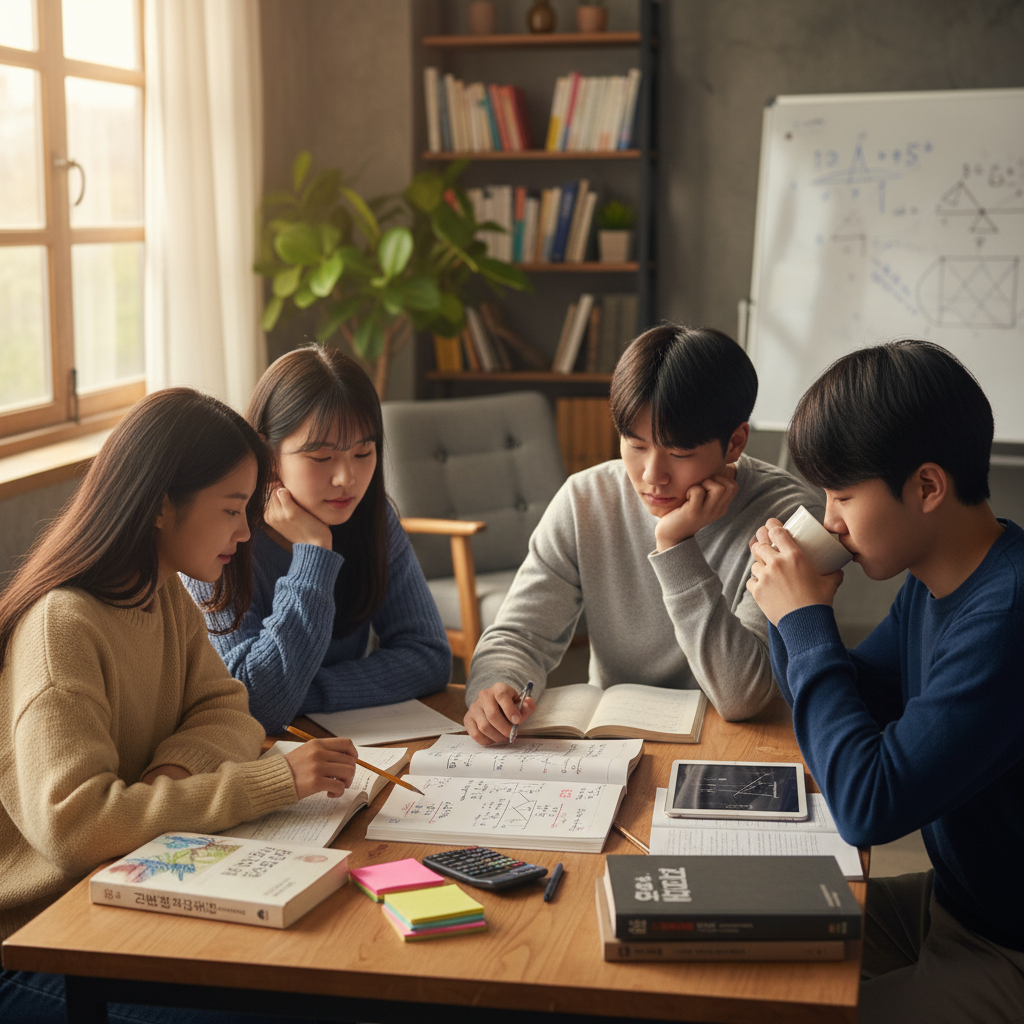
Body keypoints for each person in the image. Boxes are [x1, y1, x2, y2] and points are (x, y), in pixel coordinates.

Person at [0, 388, 358, 1024]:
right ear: (163, 505)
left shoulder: (160, 595)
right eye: (231, 509)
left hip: (126, 895)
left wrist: (171, 776)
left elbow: (228, 711)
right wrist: (274, 780)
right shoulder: (63, 628)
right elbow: (78, 827)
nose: (246, 531)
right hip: (43, 940)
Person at [746, 340, 1024, 1023]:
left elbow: (869, 803)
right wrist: (791, 619)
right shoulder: (935, 584)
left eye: (841, 494)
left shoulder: (1007, 615)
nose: (830, 518)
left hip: (1007, 948)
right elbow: (853, 703)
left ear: (927, 487)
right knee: (729, 960)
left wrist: (806, 622)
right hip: (953, 902)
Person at [463, 323, 822, 744]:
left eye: (679, 453)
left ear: (735, 443)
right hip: (612, 742)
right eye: (635, 445)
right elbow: (520, 634)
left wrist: (675, 545)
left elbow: (743, 694)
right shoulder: (586, 499)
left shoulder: (788, 519)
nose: (652, 476)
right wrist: (496, 685)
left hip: (740, 745)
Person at [185, 346, 450, 734]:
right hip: (248, 756)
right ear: (267, 453)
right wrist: (313, 554)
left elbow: (429, 657)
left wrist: (300, 691)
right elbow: (252, 703)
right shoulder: (221, 537)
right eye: (321, 458)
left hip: (344, 740)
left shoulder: (372, 518)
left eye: (363, 452)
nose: (347, 478)